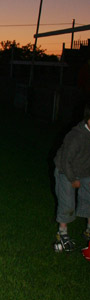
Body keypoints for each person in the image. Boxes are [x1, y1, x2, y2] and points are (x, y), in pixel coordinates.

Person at [53, 104, 90, 252]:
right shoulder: (76, 136)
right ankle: (62, 233)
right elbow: (66, 160)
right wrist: (72, 179)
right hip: (65, 170)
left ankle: (88, 230)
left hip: (85, 170)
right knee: (67, 202)